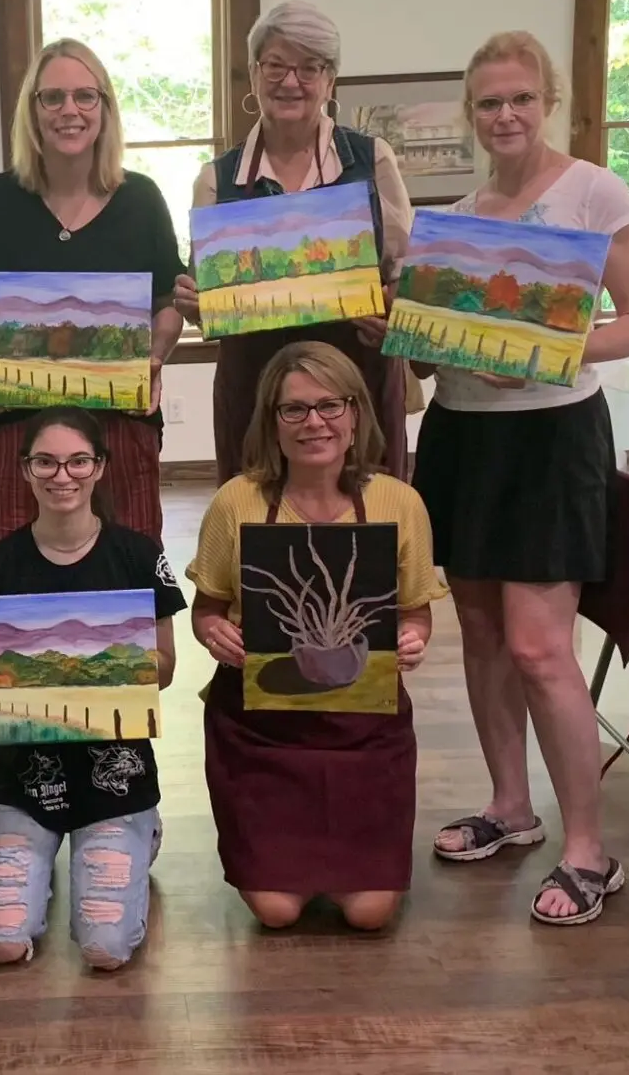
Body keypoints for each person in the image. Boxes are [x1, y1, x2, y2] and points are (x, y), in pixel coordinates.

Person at [415, 32, 629, 926]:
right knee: (480, 635)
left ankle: (588, 849)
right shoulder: (460, 211)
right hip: (460, 438)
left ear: (547, 99)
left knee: (539, 648)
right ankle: (510, 809)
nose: (506, 115)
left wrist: (552, 351)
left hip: (553, 440)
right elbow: (436, 350)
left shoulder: (594, 191)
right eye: (489, 103)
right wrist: (403, 335)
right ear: (472, 113)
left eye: (520, 98)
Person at [186, 342, 444, 930]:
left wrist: (411, 637)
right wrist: (214, 634)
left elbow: (417, 613)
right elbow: (208, 609)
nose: (314, 423)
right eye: (293, 410)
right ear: (271, 423)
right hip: (261, 730)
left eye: (330, 405)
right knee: (276, 913)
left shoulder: (398, 502)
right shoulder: (237, 501)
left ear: (356, 416)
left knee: (370, 915)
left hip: (365, 732)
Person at [0, 407, 184, 970]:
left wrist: (101, 664)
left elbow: (165, 669)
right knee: (1, 942)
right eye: (46, 461)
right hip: (22, 775)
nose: (62, 476)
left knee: (105, 950)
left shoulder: (140, 555)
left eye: (77, 461)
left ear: (100, 467)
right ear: (25, 470)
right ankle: (52, 851)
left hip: (116, 774)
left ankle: (141, 832)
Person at [171, 0, 423, 484]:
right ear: (254, 72)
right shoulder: (215, 179)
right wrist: (197, 305)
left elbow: (408, 277)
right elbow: (208, 294)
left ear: (331, 80)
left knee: (366, 525)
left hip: (357, 387)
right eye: (277, 65)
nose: (291, 81)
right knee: (261, 528)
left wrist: (393, 307)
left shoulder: (372, 161)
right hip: (255, 394)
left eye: (310, 67)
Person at [0, 38, 185, 551]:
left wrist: (156, 356)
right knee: (11, 571)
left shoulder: (141, 199)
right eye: (52, 97)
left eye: (85, 96)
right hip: (14, 424)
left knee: (131, 566)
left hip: (120, 422)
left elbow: (168, 303)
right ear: (32, 111)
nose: (69, 111)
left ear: (105, 106)